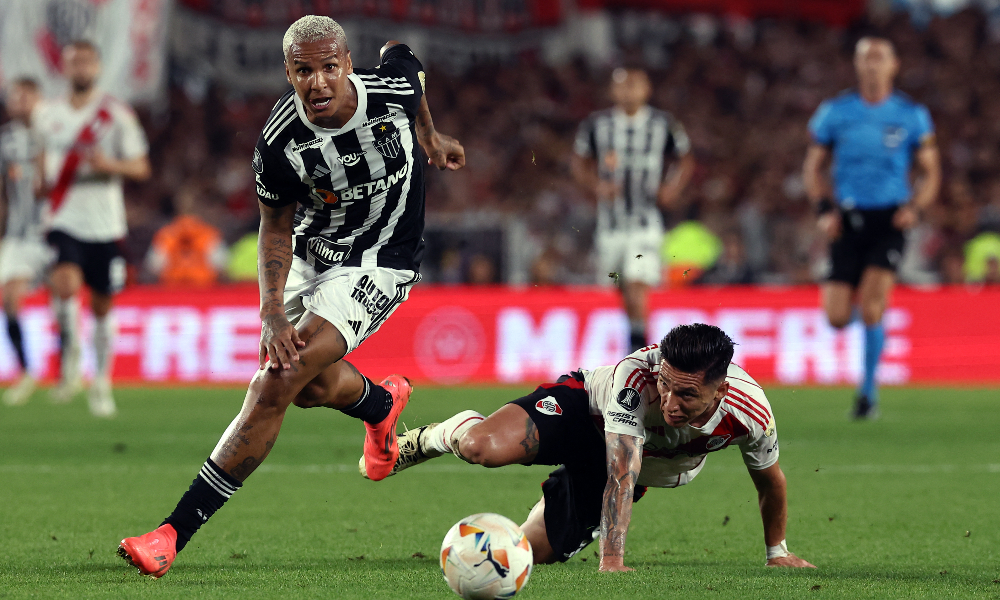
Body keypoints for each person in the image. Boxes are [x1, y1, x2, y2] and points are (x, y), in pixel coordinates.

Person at [117, 16, 465, 578]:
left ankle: (170, 533)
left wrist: (428, 135)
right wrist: (272, 311)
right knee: (308, 389)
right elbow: (275, 226)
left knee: (280, 378)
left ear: (348, 64)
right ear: (288, 72)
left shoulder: (389, 90)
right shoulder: (280, 143)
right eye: (304, 70)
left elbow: (407, 61)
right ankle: (379, 404)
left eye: (330, 67)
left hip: (380, 261)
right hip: (311, 250)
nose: (319, 82)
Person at [363, 324, 815, 571]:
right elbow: (622, 471)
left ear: (719, 391)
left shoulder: (749, 412)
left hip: (630, 466)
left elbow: (770, 482)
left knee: (526, 555)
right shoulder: (633, 380)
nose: (671, 403)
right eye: (667, 386)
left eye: (688, 396)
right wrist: (612, 561)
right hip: (585, 415)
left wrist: (777, 552)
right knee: (483, 446)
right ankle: (431, 437)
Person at [803, 37, 940, 419]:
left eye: (879, 57)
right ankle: (868, 378)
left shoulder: (911, 115)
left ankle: (867, 393)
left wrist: (915, 207)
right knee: (837, 316)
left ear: (894, 65)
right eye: (866, 58)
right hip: (847, 219)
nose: (872, 64)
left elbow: (931, 172)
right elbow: (813, 166)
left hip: (889, 219)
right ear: (857, 64)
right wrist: (823, 209)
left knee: (873, 305)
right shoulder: (835, 112)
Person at [34, 40, 152, 416]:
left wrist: (109, 166)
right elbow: (40, 167)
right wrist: (37, 183)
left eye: (86, 61)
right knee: (65, 284)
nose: (80, 68)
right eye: (73, 62)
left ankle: (101, 381)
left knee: (102, 305)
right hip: (62, 220)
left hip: (104, 224)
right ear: (64, 69)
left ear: (97, 67)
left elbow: (141, 167)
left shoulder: (116, 114)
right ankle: (70, 364)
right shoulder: (45, 114)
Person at [571, 67, 694, 352]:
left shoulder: (662, 123)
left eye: (635, 85)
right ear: (613, 91)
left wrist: (672, 188)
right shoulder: (596, 125)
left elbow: (685, 159)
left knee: (637, 282)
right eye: (623, 86)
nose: (629, 91)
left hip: (645, 221)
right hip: (610, 223)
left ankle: (636, 350)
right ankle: (634, 337)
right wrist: (595, 185)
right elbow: (579, 161)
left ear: (647, 89)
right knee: (621, 286)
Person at [0, 78, 50, 406]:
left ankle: (71, 371)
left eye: (26, 96)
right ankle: (27, 372)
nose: (20, 102)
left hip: (55, 231)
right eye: (15, 98)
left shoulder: (55, 134)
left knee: (65, 295)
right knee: (10, 300)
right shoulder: (6, 142)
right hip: (19, 236)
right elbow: (4, 193)